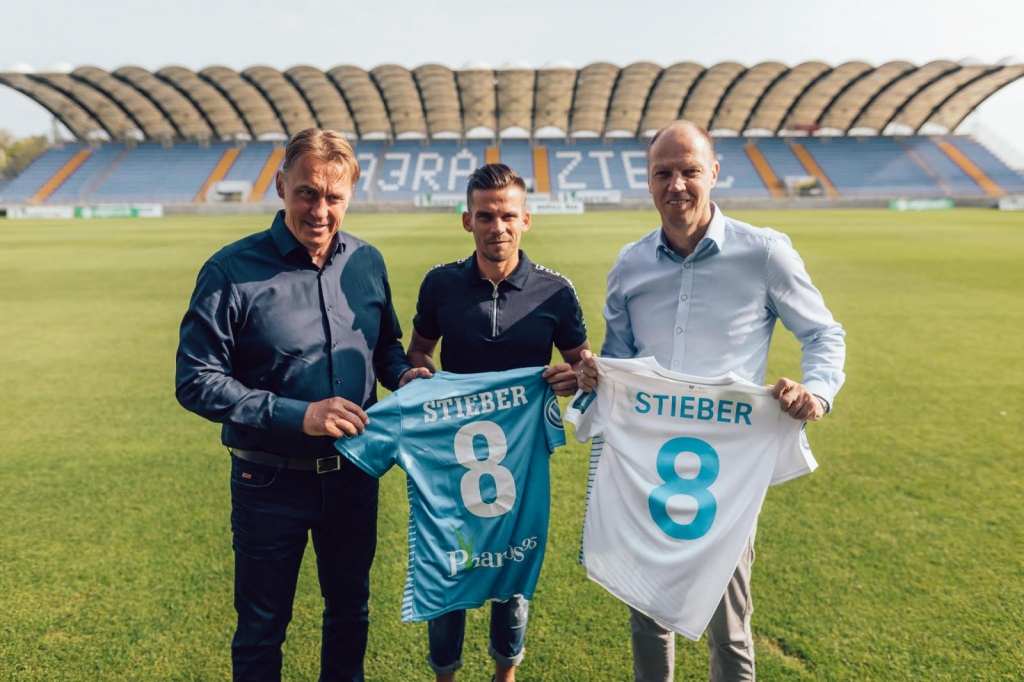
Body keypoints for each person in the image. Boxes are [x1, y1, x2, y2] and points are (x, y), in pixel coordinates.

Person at [577, 120, 846, 682]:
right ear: (648, 180)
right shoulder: (630, 264)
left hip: (727, 470)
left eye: (690, 171)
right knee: (646, 610)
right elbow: (617, 359)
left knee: (729, 622)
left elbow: (824, 335)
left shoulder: (764, 253)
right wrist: (589, 378)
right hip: (645, 466)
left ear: (714, 173)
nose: (676, 184)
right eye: (663, 173)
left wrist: (816, 393)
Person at [175, 127, 430, 682]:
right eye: (307, 193)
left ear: (350, 195)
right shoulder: (230, 271)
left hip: (354, 474)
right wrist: (301, 415)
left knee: (350, 613)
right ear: (281, 185)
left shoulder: (366, 261)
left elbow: (383, 347)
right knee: (262, 628)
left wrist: (403, 374)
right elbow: (196, 379)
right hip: (268, 482)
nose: (320, 210)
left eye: (333, 197)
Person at [407, 163, 590, 682]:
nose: (498, 227)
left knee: (512, 570)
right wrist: (420, 377)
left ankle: (504, 675)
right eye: (485, 216)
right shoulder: (440, 284)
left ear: (526, 219)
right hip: (449, 460)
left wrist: (574, 378)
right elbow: (419, 352)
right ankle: (445, 675)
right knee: (449, 566)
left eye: (508, 215)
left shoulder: (555, 292)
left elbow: (584, 365)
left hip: (522, 463)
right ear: (467, 220)